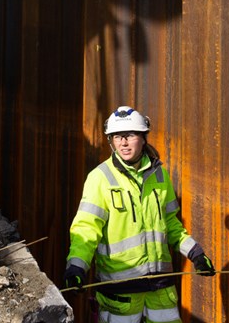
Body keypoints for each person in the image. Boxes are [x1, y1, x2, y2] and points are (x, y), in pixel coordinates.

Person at [65, 106, 215, 322]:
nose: (123, 142)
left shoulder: (160, 176)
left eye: (130, 135)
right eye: (117, 137)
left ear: (143, 138)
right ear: (111, 141)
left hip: (161, 290)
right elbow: (86, 229)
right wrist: (77, 266)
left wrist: (196, 254)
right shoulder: (100, 178)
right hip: (120, 294)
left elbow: (171, 224)